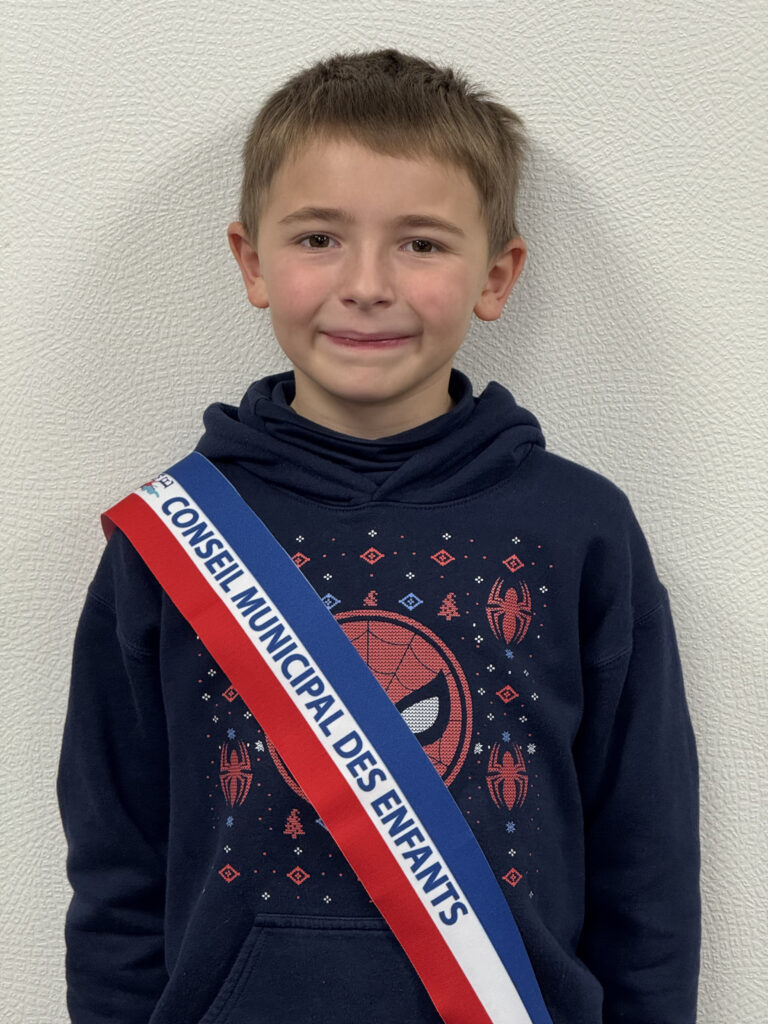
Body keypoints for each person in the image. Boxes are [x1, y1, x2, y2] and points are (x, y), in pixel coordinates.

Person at [57, 48, 700, 1024]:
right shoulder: (169, 540)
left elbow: (646, 861)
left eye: (422, 243)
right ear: (252, 262)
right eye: (319, 237)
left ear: (496, 275)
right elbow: (116, 862)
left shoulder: (579, 530)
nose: (366, 283)